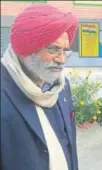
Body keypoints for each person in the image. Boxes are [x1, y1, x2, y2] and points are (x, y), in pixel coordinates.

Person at [1, 4, 78, 170]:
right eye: (53, 49)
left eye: (65, 51)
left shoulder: (62, 86)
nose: (61, 59)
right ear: (26, 47)